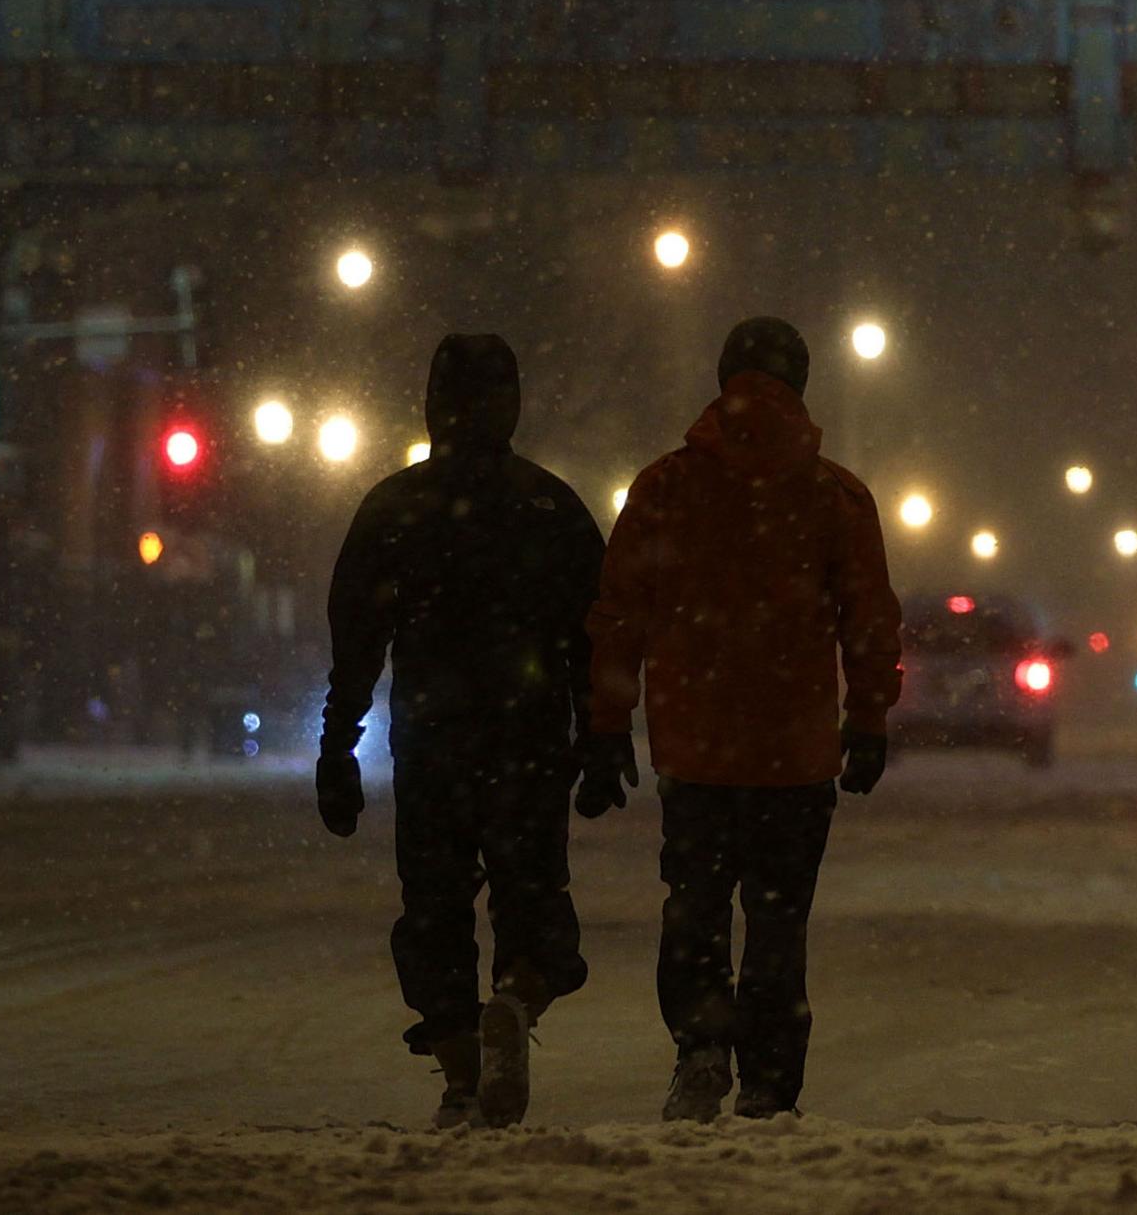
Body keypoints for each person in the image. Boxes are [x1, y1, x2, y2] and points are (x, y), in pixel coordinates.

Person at [579, 315, 902, 1122]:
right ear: (801, 384)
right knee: (778, 918)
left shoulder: (665, 487)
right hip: (795, 756)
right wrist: (867, 719)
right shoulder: (836, 496)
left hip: (695, 748)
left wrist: (608, 720)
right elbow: (869, 621)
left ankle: (700, 1047)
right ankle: (769, 1080)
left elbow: (620, 612)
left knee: (694, 903)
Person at [315, 333, 606, 1130]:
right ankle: (516, 994)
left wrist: (338, 743)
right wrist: (602, 735)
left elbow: (357, 639)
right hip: (529, 740)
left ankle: (459, 1071)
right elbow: (597, 638)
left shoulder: (394, 507)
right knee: (533, 898)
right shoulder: (552, 507)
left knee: (434, 907)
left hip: (432, 741)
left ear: (431, 403)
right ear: (512, 403)